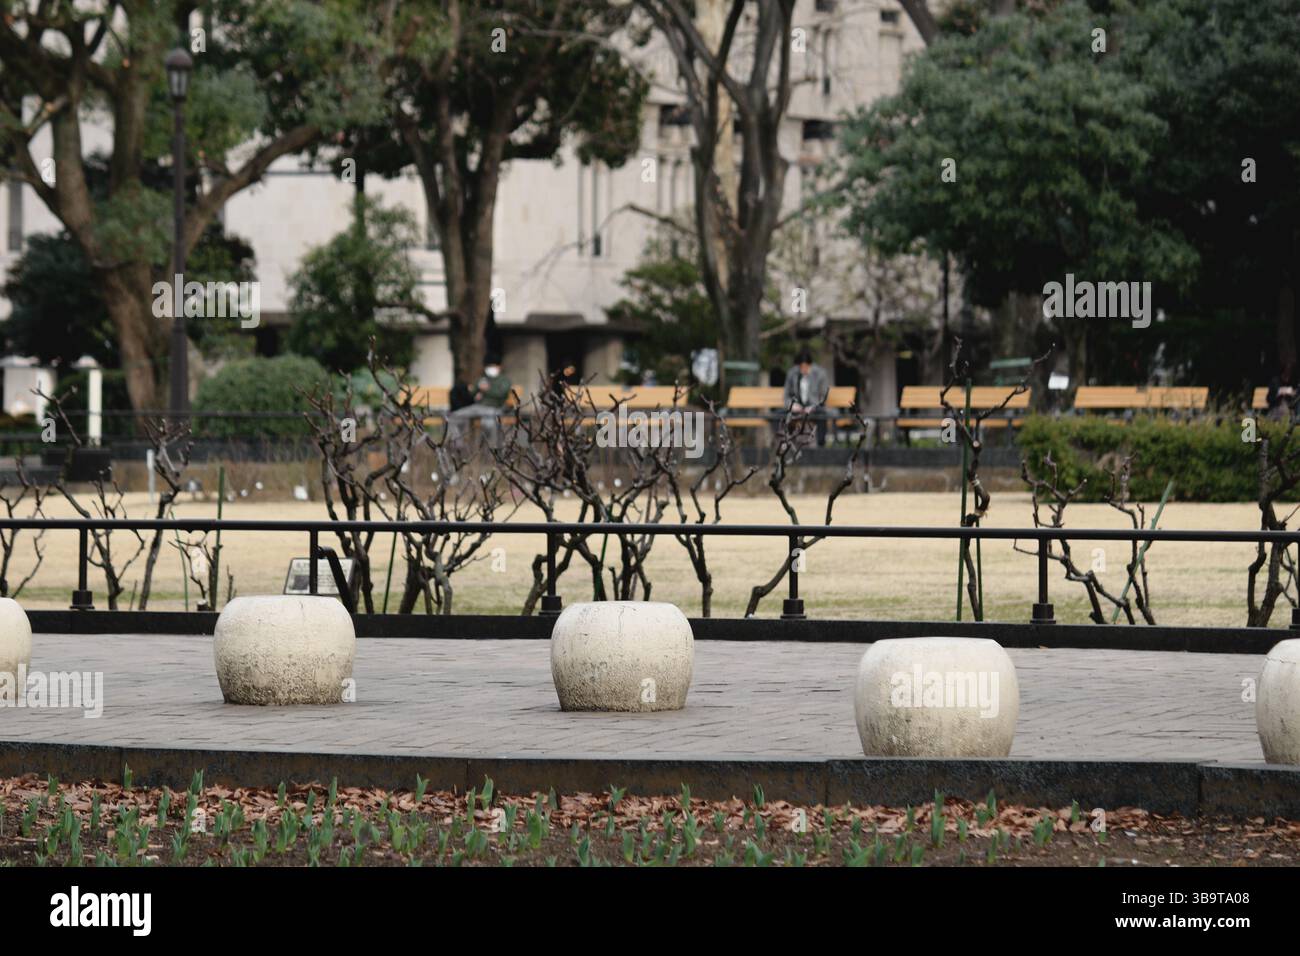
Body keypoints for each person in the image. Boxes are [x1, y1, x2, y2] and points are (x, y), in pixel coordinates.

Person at [447, 355, 512, 445]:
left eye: (493, 366)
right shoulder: (482, 379)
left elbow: (500, 394)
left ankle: (488, 449)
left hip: (494, 408)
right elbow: (472, 393)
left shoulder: (504, 380)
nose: (491, 369)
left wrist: (486, 390)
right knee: (453, 417)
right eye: (489, 366)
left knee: (488, 424)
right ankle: (458, 446)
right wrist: (476, 391)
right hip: (478, 406)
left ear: (499, 367)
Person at [782, 349, 830, 446]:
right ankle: (786, 444)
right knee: (778, 415)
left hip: (814, 408)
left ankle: (821, 445)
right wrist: (792, 405)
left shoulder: (820, 374)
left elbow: (823, 396)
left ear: (810, 365)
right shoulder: (792, 374)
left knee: (822, 416)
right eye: (800, 367)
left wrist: (813, 406)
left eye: (805, 366)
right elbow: (786, 395)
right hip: (797, 408)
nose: (803, 369)